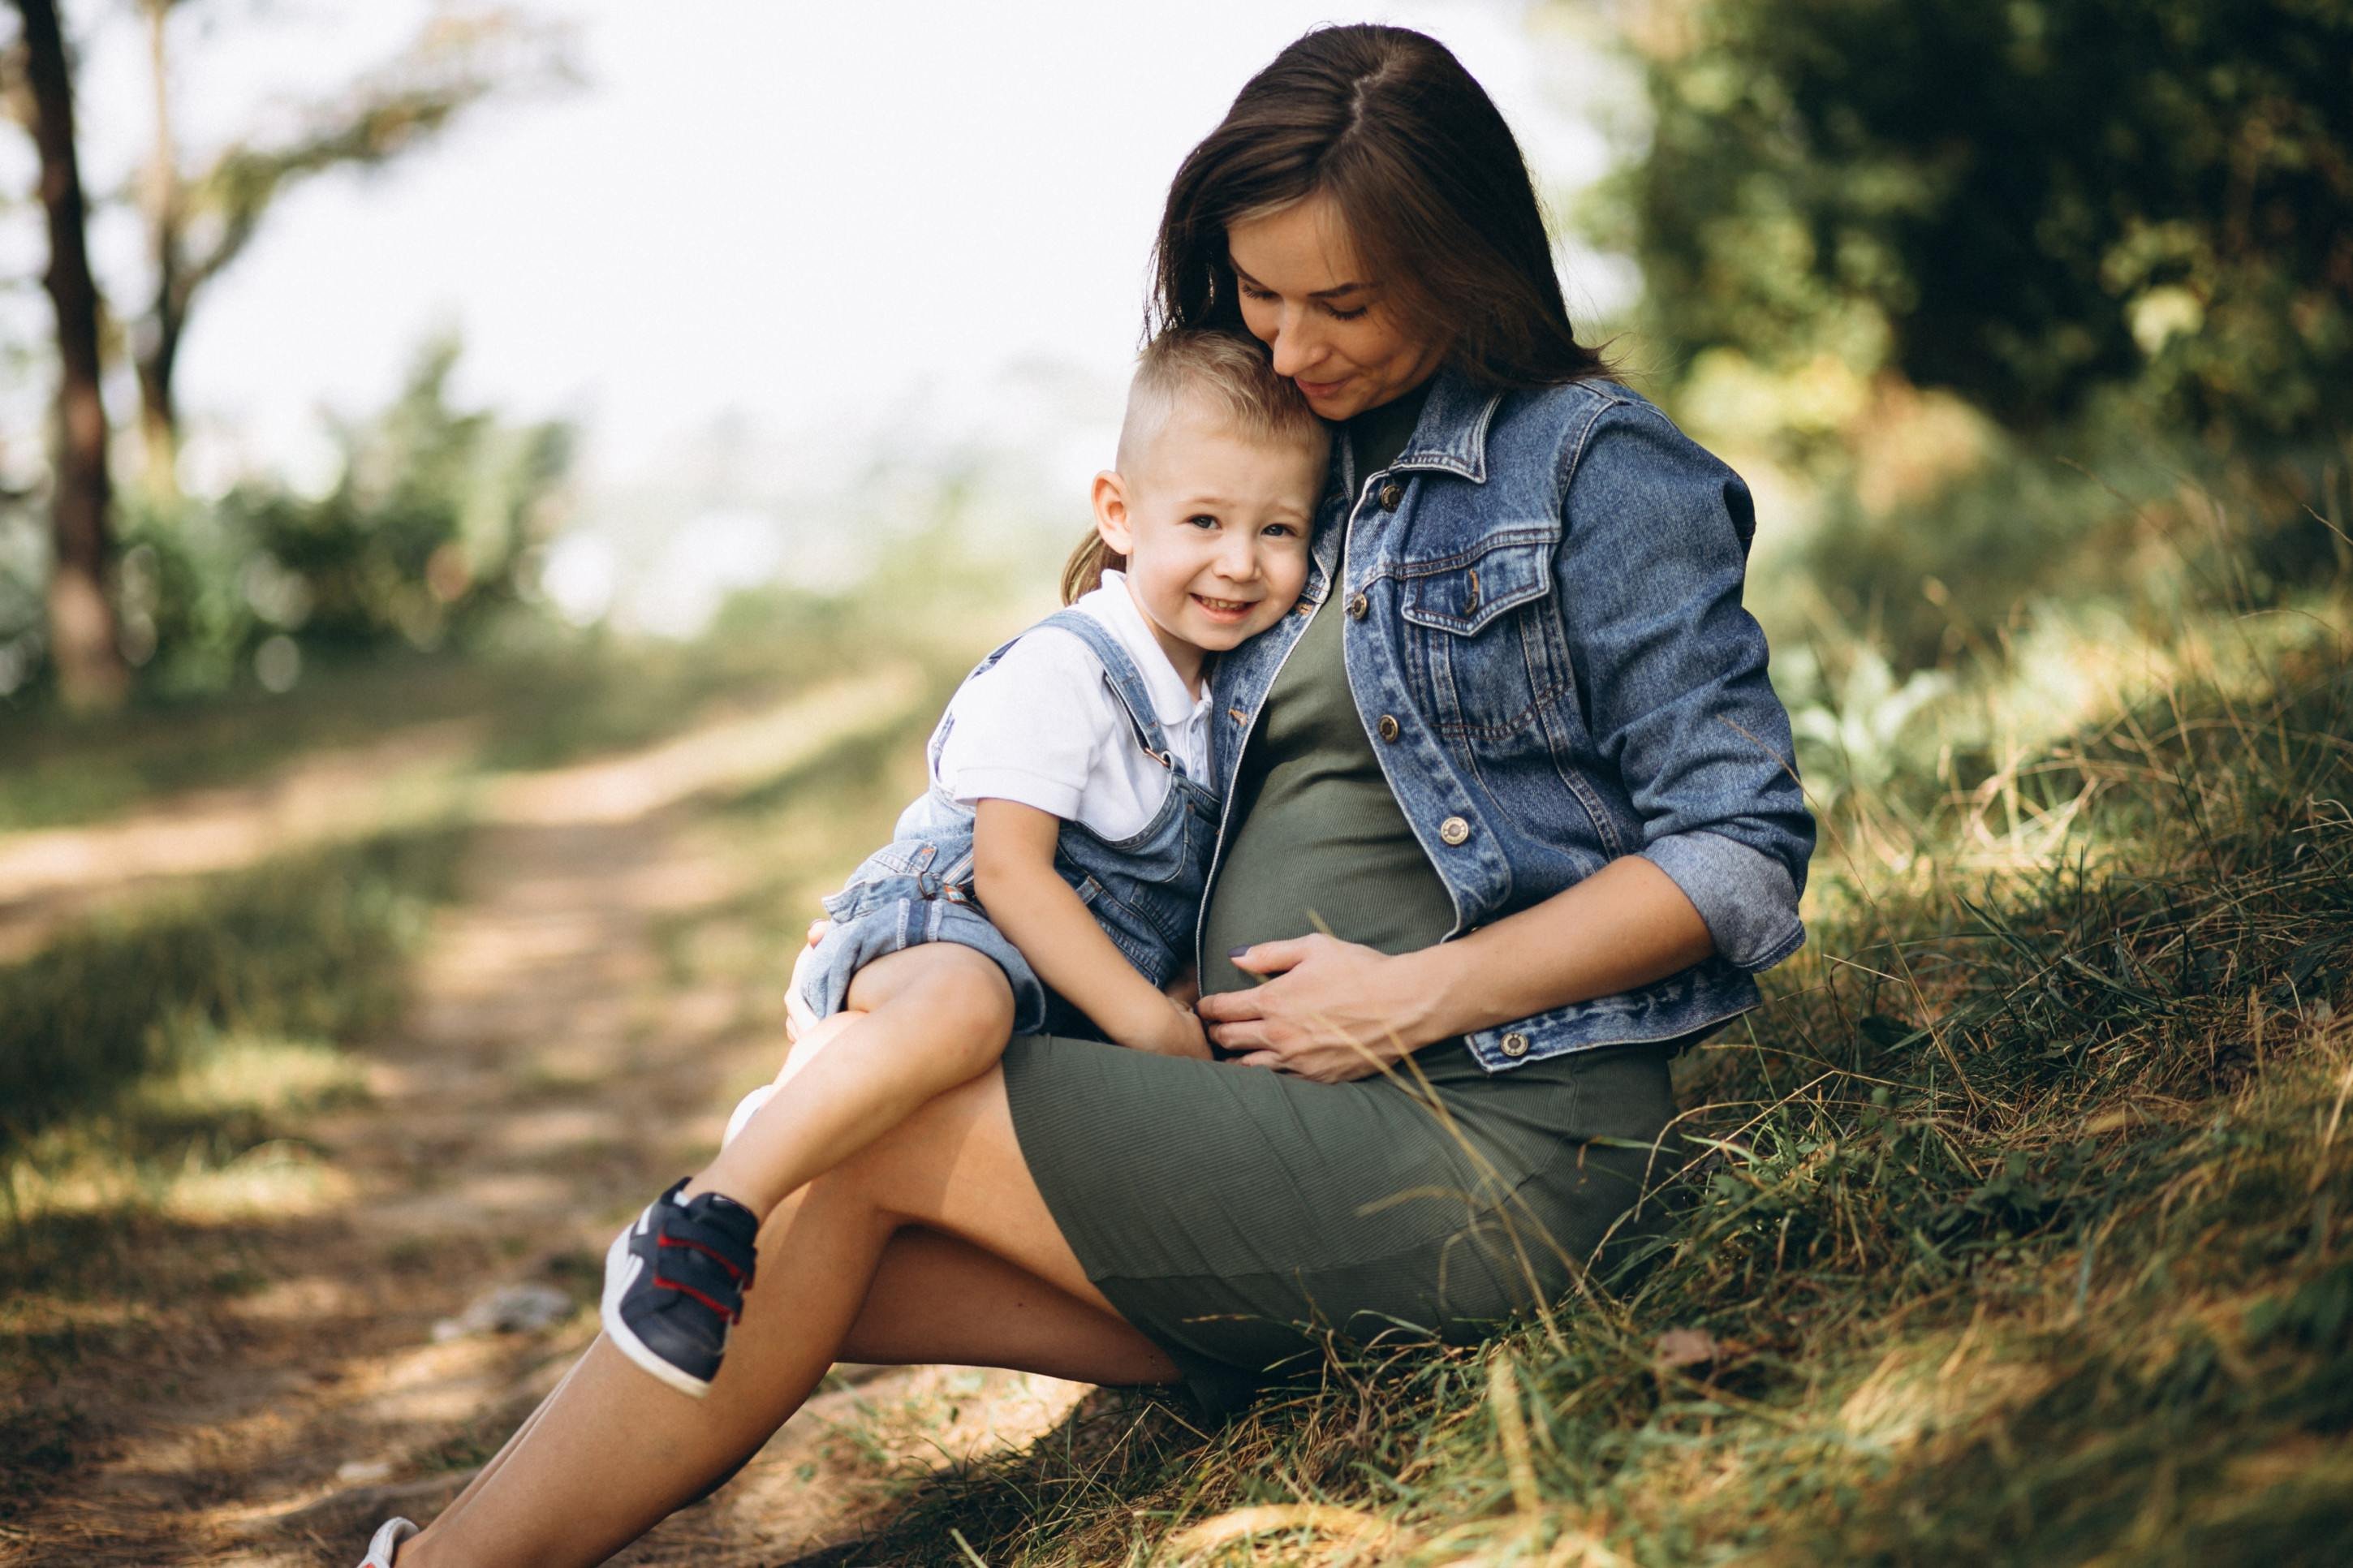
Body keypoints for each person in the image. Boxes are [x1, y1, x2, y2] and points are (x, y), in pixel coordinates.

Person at [360, 23, 1814, 1567]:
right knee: (808, 1233)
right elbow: (1120, 786)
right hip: (1279, 1120)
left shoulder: (1598, 474)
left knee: (851, 1143)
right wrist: (919, 926)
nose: (1294, 344)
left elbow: (1741, 849)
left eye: (1346, 302)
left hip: (1489, 1140)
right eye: (1259, 292)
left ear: (1465, 265)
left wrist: (1413, 996)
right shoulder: (1284, 469)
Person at [597, 328, 1325, 1399]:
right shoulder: (1070, 668)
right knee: (966, 1012)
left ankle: (816, 1132)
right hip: (945, 922)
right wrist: (1141, 1020)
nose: (1239, 560)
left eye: (1279, 530)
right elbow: (1010, 873)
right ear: (1118, 514)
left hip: (1043, 985)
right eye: (1205, 521)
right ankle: (710, 1213)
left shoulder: (1229, 698)